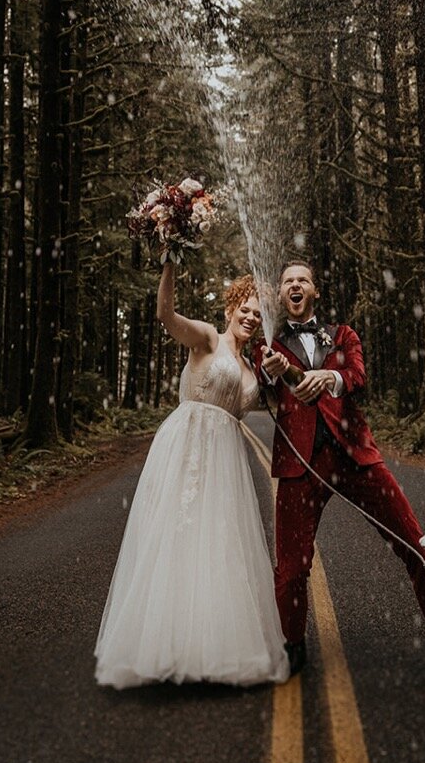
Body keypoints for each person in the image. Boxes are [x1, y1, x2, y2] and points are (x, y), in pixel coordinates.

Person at [256, 260, 425, 680]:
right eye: (288, 282)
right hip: (300, 464)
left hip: (357, 457)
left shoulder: (344, 335)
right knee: (292, 566)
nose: (295, 286)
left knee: (415, 545)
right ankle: (293, 647)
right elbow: (262, 392)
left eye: (303, 280)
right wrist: (268, 372)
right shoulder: (271, 346)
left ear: (315, 292)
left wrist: (329, 377)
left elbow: (357, 375)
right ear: (280, 296)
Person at [94, 262, 288, 688]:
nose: (252, 318)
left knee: (218, 542)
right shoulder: (206, 339)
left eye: (258, 314)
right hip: (187, 444)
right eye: (246, 309)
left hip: (227, 458)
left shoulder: (255, 369)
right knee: (176, 535)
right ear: (231, 308)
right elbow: (165, 315)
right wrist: (170, 259)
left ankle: (213, 648)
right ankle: (162, 644)